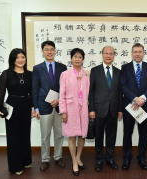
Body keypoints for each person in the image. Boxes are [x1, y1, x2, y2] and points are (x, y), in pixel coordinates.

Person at [0, 48, 35, 176]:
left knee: (25, 135)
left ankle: (26, 161)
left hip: (26, 106)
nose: (20, 60)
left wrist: (33, 107)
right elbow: (1, 92)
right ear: (12, 59)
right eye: (17, 57)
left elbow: (32, 93)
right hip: (12, 106)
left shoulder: (30, 74)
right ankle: (15, 166)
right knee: (13, 137)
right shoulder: (6, 74)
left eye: (22, 57)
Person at [32, 41, 67, 171]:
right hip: (43, 106)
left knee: (59, 134)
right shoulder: (37, 68)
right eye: (46, 49)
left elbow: (65, 88)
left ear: (55, 51)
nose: (49, 52)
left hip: (59, 106)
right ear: (42, 51)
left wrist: (59, 99)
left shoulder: (62, 67)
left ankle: (58, 157)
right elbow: (35, 89)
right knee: (45, 135)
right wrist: (36, 108)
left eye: (52, 49)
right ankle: (45, 159)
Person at [120, 43, 147, 170]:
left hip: (144, 106)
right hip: (129, 106)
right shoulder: (125, 67)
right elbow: (123, 86)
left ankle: (142, 158)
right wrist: (135, 99)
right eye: (135, 51)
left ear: (143, 53)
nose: (137, 54)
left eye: (140, 51)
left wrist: (143, 99)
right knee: (127, 133)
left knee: (143, 134)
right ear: (131, 53)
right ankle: (126, 158)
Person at [89, 46, 123, 172]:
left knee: (111, 135)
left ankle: (110, 158)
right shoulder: (95, 70)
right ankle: (99, 160)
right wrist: (91, 109)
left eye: (111, 53)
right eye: (106, 53)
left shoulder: (119, 72)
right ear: (102, 54)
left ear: (114, 55)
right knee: (98, 136)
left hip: (113, 109)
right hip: (98, 109)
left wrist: (120, 109)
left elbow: (120, 92)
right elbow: (91, 91)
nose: (109, 55)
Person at [59, 48, 90, 176]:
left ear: (83, 59)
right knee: (72, 135)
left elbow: (89, 92)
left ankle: (78, 157)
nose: (77, 59)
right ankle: (74, 161)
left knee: (82, 135)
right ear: (71, 58)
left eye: (80, 57)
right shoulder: (65, 74)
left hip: (83, 109)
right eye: (75, 56)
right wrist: (63, 111)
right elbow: (62, 94)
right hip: (70, 109)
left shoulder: (87, 74)